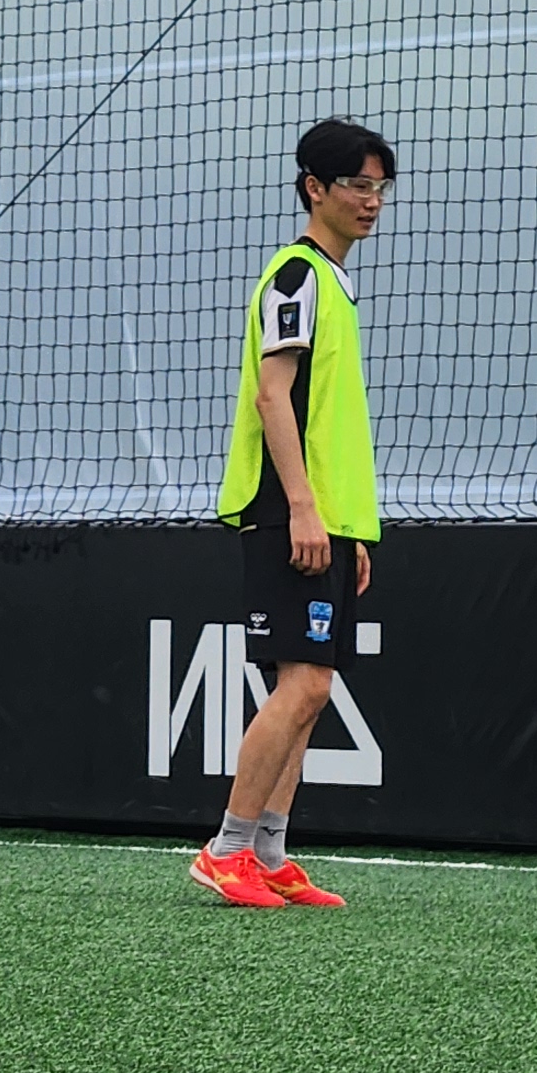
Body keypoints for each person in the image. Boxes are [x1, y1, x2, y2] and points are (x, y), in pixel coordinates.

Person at [192, 118, 393, 910]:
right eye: (358, 185)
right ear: (315, 188)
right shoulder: (297, 276)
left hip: (326, 518)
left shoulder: (334, 284)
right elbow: (272, 396)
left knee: (313, 684)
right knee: (303, 685)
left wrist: (349, 529)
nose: (372, 200)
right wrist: (305, 509)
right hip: (285, 509)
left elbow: (327, 419)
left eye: (381, 187)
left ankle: (270, 850)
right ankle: (226, 848)